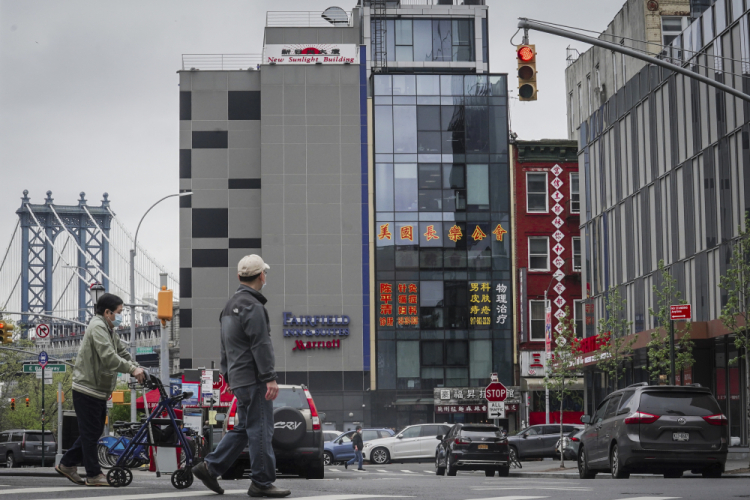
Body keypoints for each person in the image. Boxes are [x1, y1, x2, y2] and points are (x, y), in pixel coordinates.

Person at [193, 255, 290, 498]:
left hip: (237, 378)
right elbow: (261, 345)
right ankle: (261, 482)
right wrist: (269, 377)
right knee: (261, 430)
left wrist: (227, 375)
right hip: (254, 379)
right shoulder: (254, 307)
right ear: (262, 276)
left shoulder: (228, 306)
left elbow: (225, 346)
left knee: (246, 427)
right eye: (264, 274)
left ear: (239, 277)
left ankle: (210, 467)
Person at [55, 293, 146, 486]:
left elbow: (120, 352)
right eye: (119, 312)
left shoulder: (109, 328)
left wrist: (137, 367)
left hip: (97, 389)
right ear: (107, 312)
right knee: (90, 433)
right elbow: (108, 357)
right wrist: (131, 369)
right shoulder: (98, 327)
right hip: (87, 388)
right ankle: (94, 474)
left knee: (94, 431)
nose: (121, 316)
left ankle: (67, 463)